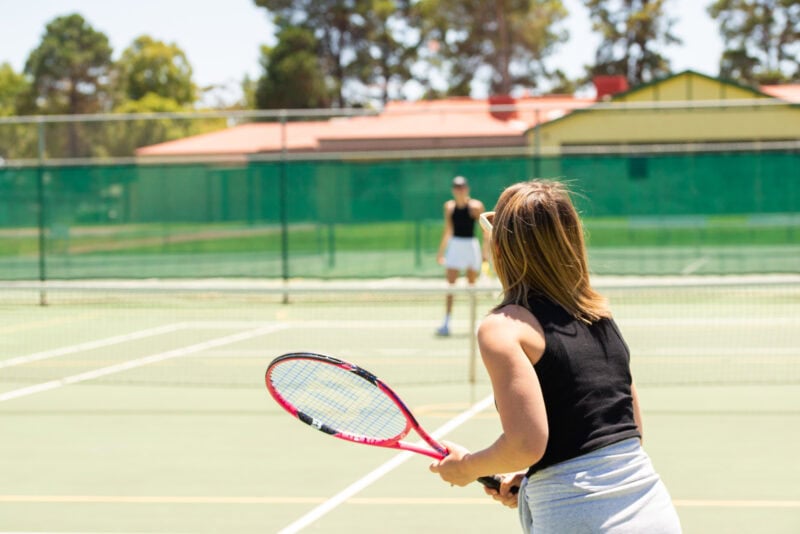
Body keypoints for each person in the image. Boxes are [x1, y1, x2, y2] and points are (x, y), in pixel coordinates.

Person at [429, 180, 681, 533]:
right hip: (655, 512)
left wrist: (467, 466)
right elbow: (629, 430)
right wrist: (536, 474)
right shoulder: (600, 315)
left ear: (499, 248)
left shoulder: (503, 328)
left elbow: (525, 444)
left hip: (581, 519)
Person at [435, 176, 489, 336]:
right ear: (453, 190)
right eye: (457, 187)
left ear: (467, 189)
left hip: (471, 246)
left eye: (462, 187)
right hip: (455, 247)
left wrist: (485, 252)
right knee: (450, 286)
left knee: (471, 286)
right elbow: (448, 230)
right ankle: (446, 322)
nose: (459, 190)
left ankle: (474, 323)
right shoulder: (449, 207)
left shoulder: (476, 206)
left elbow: (485, 231)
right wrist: (441, 252)